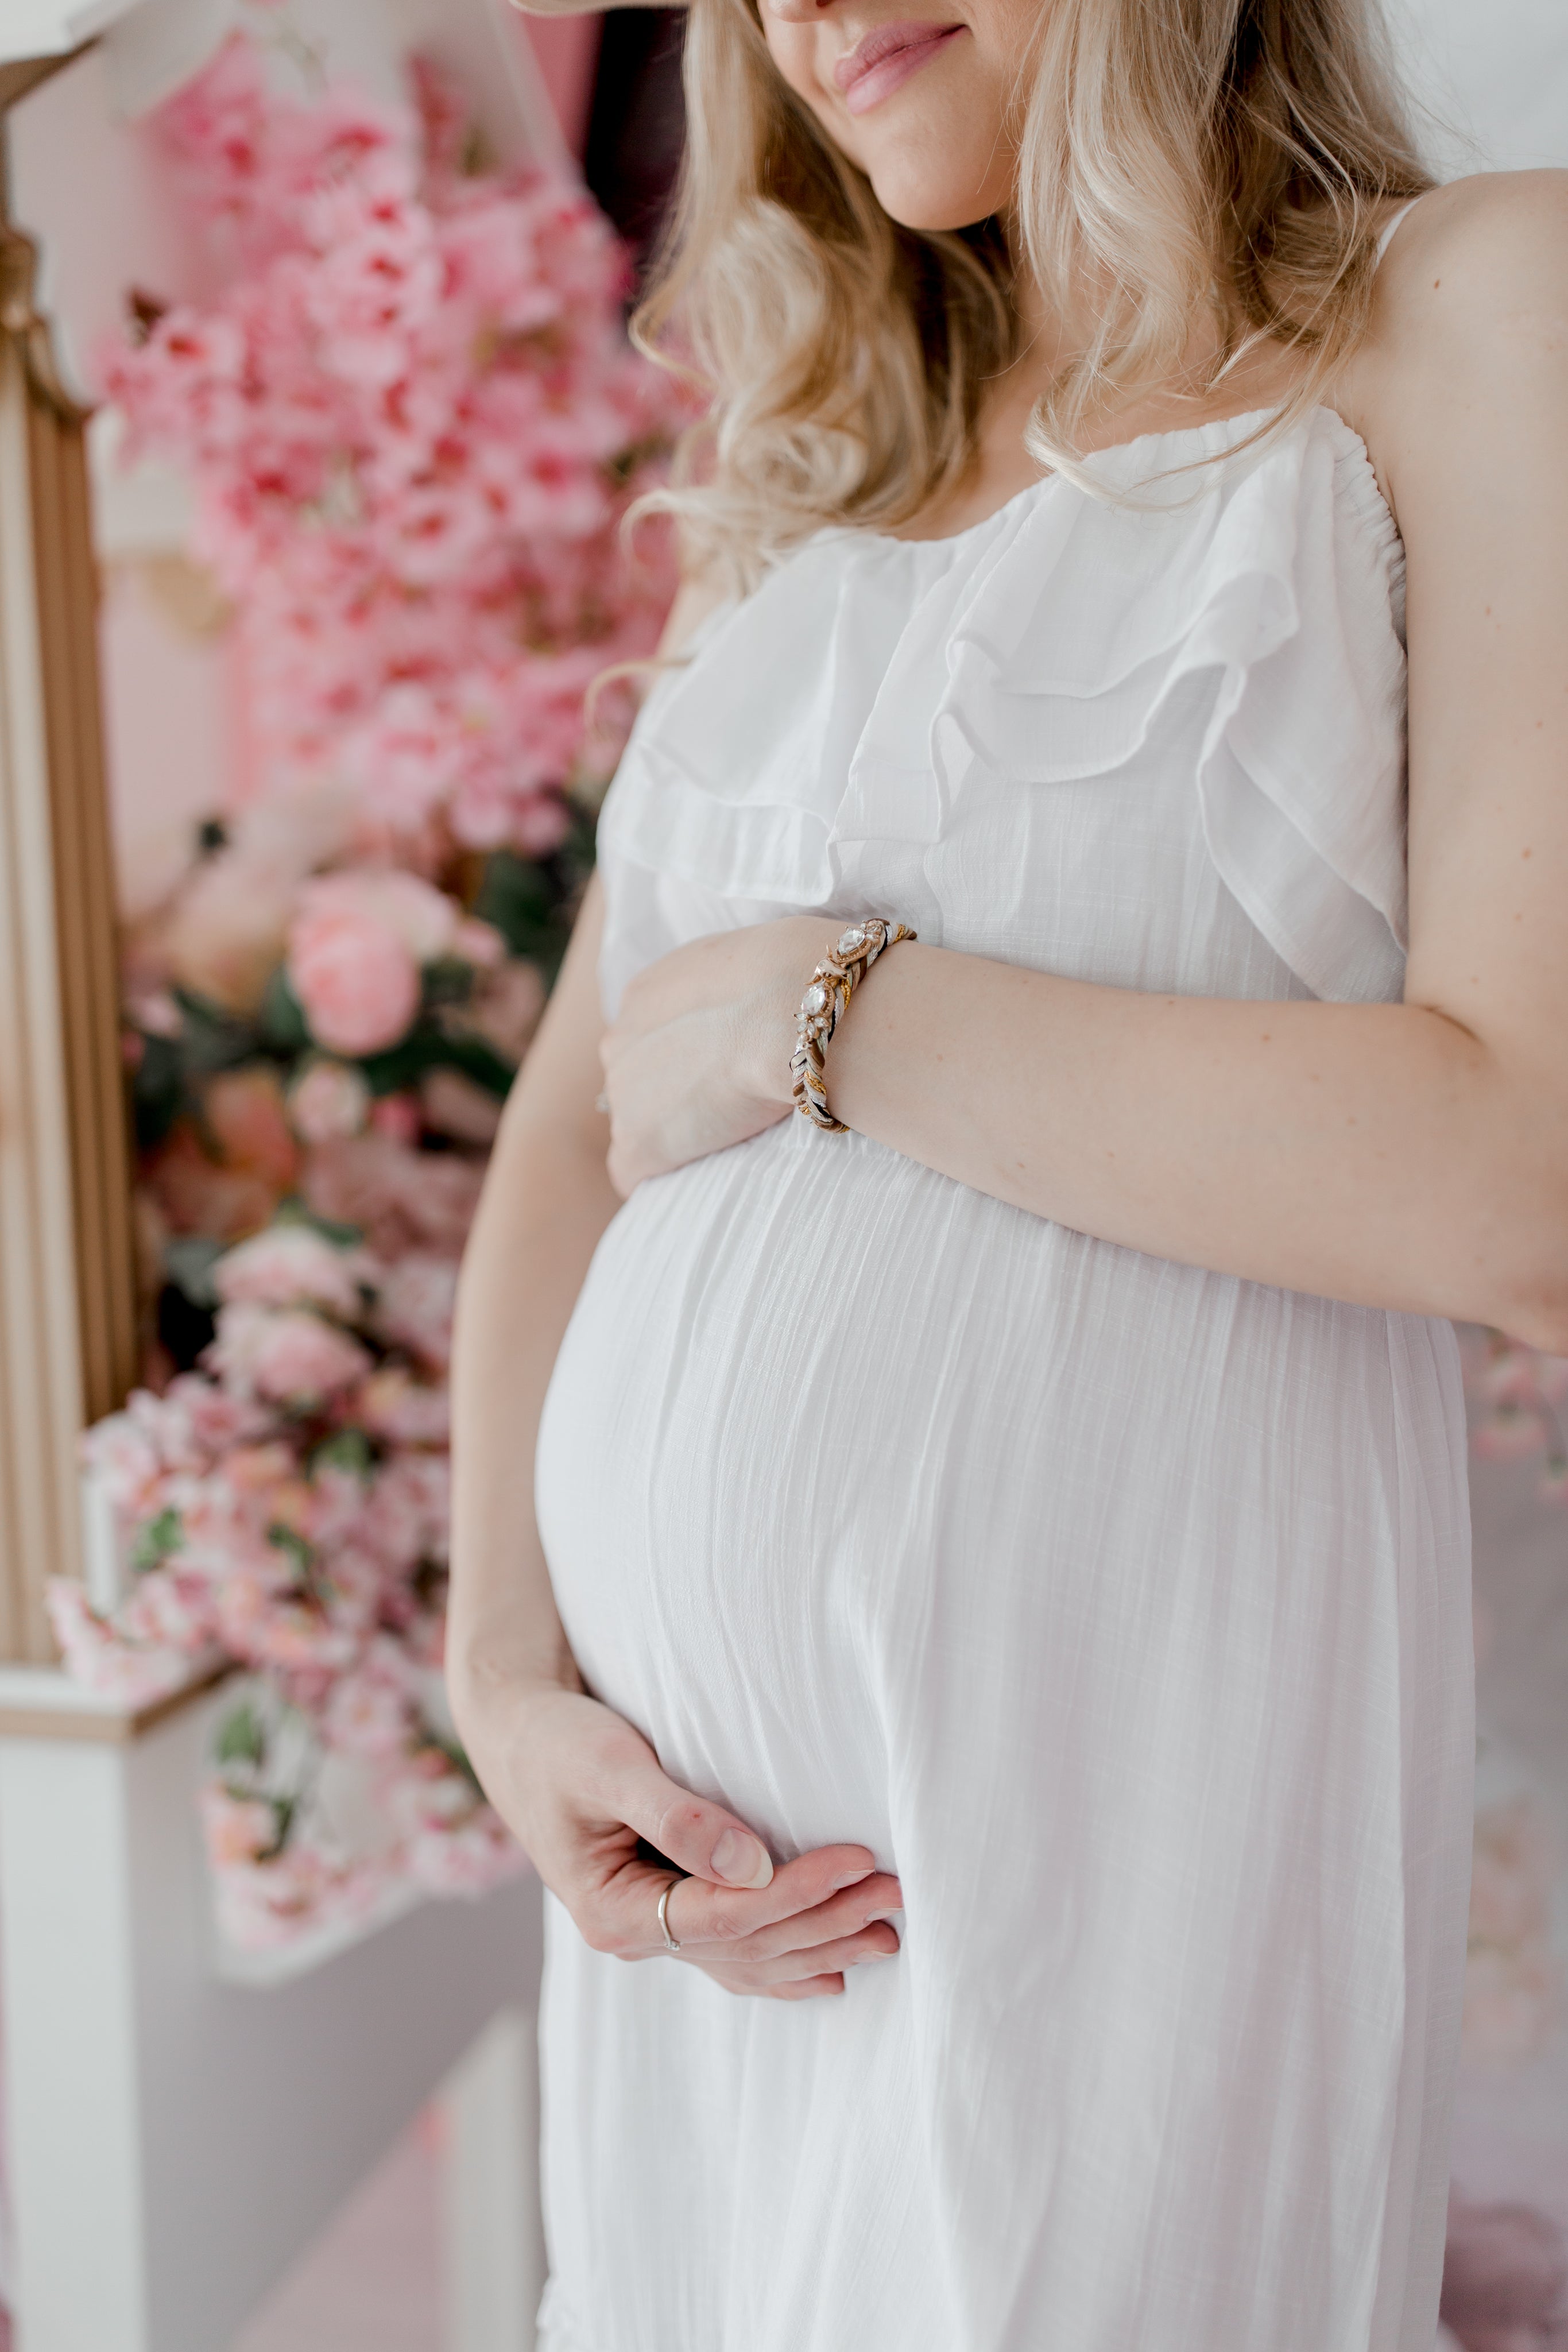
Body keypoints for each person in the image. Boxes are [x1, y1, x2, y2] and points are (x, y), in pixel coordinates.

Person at [448, 0, 1568, 2339]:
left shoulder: (1469, 305)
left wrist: (832, 1009)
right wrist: (498, 1674)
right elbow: (574, 1123)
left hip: (1123, 1830)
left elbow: (1514, 1178)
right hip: (704, 1927)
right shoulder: (810, 458)